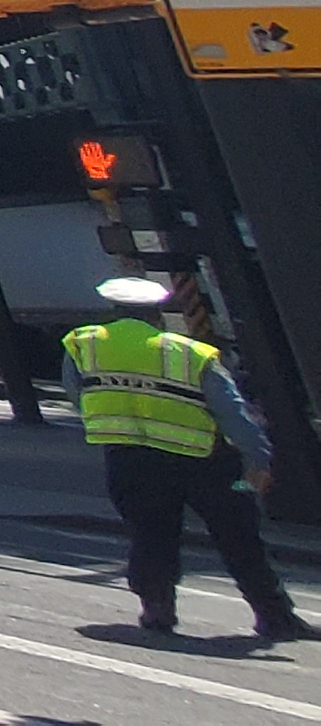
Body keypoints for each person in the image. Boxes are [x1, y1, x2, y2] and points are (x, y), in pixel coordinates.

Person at [62, 275, 310, 642]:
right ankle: (274, 616)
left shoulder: (83, 346)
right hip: (204, 460)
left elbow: (77, 395)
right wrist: (259, 459)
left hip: (129, 458)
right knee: (239, 537)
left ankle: (158, 609)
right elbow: (232, 413)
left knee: (151, 534)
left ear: (113, 312)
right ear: (159, 316)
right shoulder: (188, 354)